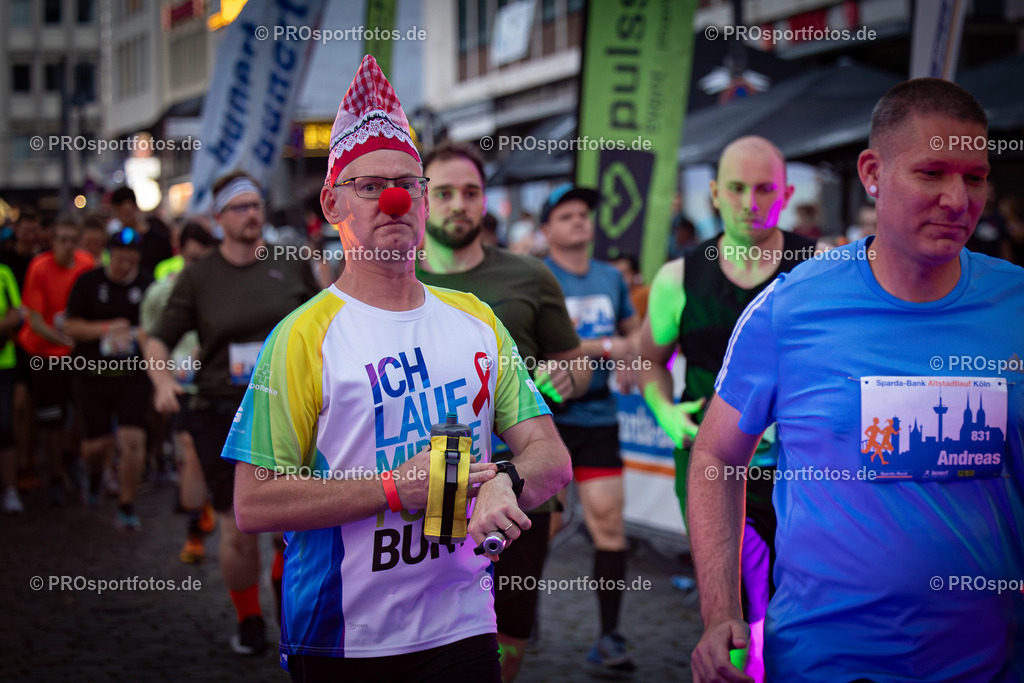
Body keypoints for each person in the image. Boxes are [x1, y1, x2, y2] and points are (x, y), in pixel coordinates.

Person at [222, 55, 571, 682]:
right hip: (343, 637)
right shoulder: (300, 339)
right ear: (332, 202)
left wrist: (506, 481)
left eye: (409, 184)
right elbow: (254, 502)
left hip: (462, 624)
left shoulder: (477, 320)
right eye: (370, 186)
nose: (394, 199)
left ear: (425, 201)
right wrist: (390, 488)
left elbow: (552, 457)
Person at [687, 78, 1024, 682]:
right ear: (873, 173)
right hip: (827, 662)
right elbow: (716, 455)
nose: (957, 200)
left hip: (993, 661)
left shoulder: (1016, 305)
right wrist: (720, 613)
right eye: (932, 173)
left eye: (975, 177)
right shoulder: (790, 308)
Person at [638, 135, 812, 681]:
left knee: (798, 604)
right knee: (735, 611)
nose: (749, 203)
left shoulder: (816, 269)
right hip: (712, 464)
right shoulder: (680, 277)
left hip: (800, 472)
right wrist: (666, 413)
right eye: (736, 188)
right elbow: (648, 361)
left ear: (785, 194)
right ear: (714, 193)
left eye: (764, 190)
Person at [416, 141, 589, 681]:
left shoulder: (530, 276)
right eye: (444, 192)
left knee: (508, 625)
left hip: (520, 479)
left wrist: (570, 378)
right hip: (425, 480)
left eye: (470, 192)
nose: (458, 204)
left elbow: (575, 361)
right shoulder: (395, 278)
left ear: (485, 200)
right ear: (422, 198)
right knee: (428, 628)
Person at [145, 172, 320, 655]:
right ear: (219, 218)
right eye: (240, 207)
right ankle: (249, 620)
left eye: (256, 205)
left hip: (291, 406)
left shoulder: (289, 261)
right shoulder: (199, 277)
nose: (252, 214)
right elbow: (157, 339)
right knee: (238, 523)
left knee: (293, 521)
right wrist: (162, 381)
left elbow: (329, 320)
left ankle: (289, 608)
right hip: (224, 411)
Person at [540, 182, 641, 673]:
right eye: (566, 216)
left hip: (599, 417)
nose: (579, 220)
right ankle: (514, 614)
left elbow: (632, 333)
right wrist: (603, 348)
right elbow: (534, 346)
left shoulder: (610, 277)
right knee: (542, 526)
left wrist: (632, 354)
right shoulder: (539, 278)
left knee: (609, 524)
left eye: (583, 214)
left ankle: (609, 636)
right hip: (547, 423)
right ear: (546, 229)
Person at [65, 227, 153, 528]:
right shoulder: (88, 283)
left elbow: (158, 327)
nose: (125, 265)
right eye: (119, 259)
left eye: (131, 260)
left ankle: (126, 505)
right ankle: (93, 474)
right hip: (94, 373)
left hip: (133, 375)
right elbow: (70, 327)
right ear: (108, 256)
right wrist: (106, 329)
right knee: (96, 445)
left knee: (132, 439)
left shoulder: (147, 285)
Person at [140, 222, 218, 558]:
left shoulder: (223, 286)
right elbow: (147, 335)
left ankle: (218, 507)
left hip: (221, 384)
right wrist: (160, 379)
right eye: (192, 259)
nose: (197, 267)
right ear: (180, 253)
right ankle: (193, 531)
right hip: (182, 382)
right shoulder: (163, 290)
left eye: (204, 259)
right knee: (189, 450)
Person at [18, 217, 95, 505]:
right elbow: (36, 322)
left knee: (83, 411)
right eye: (62, 239)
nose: (68, 246)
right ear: (52, 241)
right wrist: (67, 341)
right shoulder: (40, 267)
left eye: (73, 240)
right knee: (51, 420)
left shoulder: (86, 264)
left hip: (75, 352)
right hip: (44, 353)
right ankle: (54, 477)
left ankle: (71, 457)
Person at [109, 187, 173, 278]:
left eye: (128, 212)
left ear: (135, 208)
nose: (126, 214)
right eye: (121, 211)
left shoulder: (159, 240)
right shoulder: (114, 241)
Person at [0, 263, 23, 513]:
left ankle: (10, 488)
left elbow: (17, 313)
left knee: (4, 424)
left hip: (4, 363)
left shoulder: (4, 273)